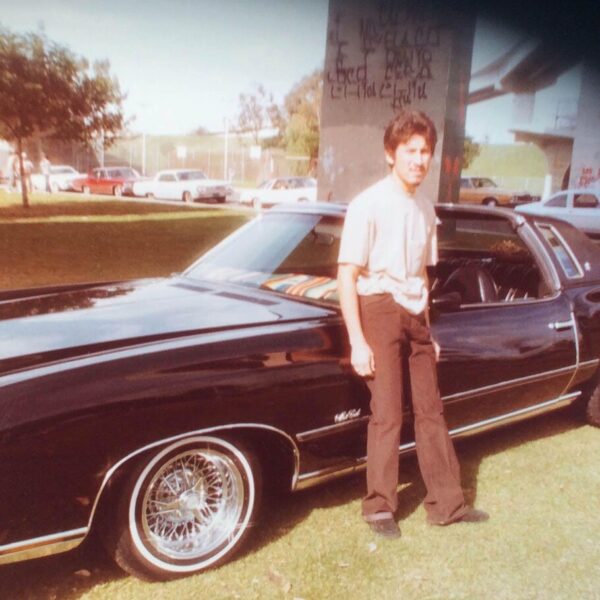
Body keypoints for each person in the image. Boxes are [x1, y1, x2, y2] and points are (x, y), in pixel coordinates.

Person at [337, 110, 488, 539]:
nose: (419, 160)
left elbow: (422, 275)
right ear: (391, 154)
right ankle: (379, 507)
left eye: (425, 152)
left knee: (431, 410)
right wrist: (358, 341)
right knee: (386, 413)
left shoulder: (425, 208)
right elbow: (346, 274)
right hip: (378, 309)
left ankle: (447, 504)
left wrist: (428, 331)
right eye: (410, 151)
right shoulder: (367, 204)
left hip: (415, 313)